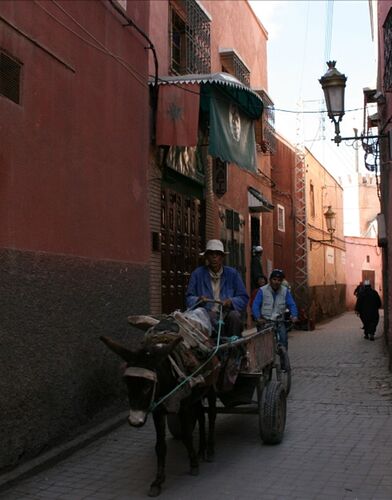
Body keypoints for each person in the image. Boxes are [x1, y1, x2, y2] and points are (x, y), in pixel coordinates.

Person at [186, 239, 249, 338]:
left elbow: (243, 297)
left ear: (222, 257)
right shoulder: (197, 274)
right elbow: (189, 298)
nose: (214, 257)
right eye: (211, 254)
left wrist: (231, 301)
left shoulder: (233, 274)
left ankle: (235, 348)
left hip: (226, 313)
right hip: (206, 313)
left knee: (235, 316)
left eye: (217, 254)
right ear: (206, 257)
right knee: (204, 317)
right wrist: (198, 299)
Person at [251, 269, 298, 349]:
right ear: (270, 280)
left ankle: (284, 359)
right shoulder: (262, 290)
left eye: (279, 280)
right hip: (265, 320)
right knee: (264, 343)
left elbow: (292, 304)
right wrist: (258, 317)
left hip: (279, 320)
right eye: (274, 279)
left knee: (283, 340)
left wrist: (294, 315)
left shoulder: (285, 291)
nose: (276, 282)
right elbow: (255, 305)